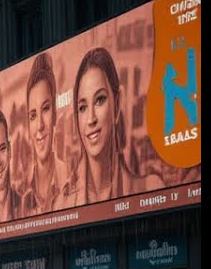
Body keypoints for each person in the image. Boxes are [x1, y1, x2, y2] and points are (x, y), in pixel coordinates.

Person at [65, 48, 163, 207]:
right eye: (82, 108)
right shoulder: (63, 205)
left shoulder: (151, 188)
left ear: (117, 104)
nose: (91, 119)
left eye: (100, 100)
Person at [22, 53, 73, 217]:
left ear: (55, 115)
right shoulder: (25, 198)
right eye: (32, 116)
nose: (39, 126)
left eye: (45, 109)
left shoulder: (70, 181)